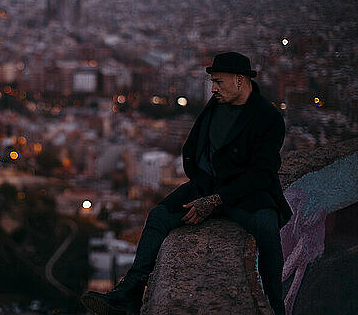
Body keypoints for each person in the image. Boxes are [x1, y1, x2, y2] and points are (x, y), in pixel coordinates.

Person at [81, 52, 292, 315]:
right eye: (212, 82)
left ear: (240, 80)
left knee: (267, 232)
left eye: (219, 81)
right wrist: (203, 186)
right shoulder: (216, 105)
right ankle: (129, 293)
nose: (213, 87)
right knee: (158, 216)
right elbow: (196, 146)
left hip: (247, 194)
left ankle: (275, 306)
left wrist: (216, 200)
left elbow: (262, 172)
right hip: (207, 186)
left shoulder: (267, 117)